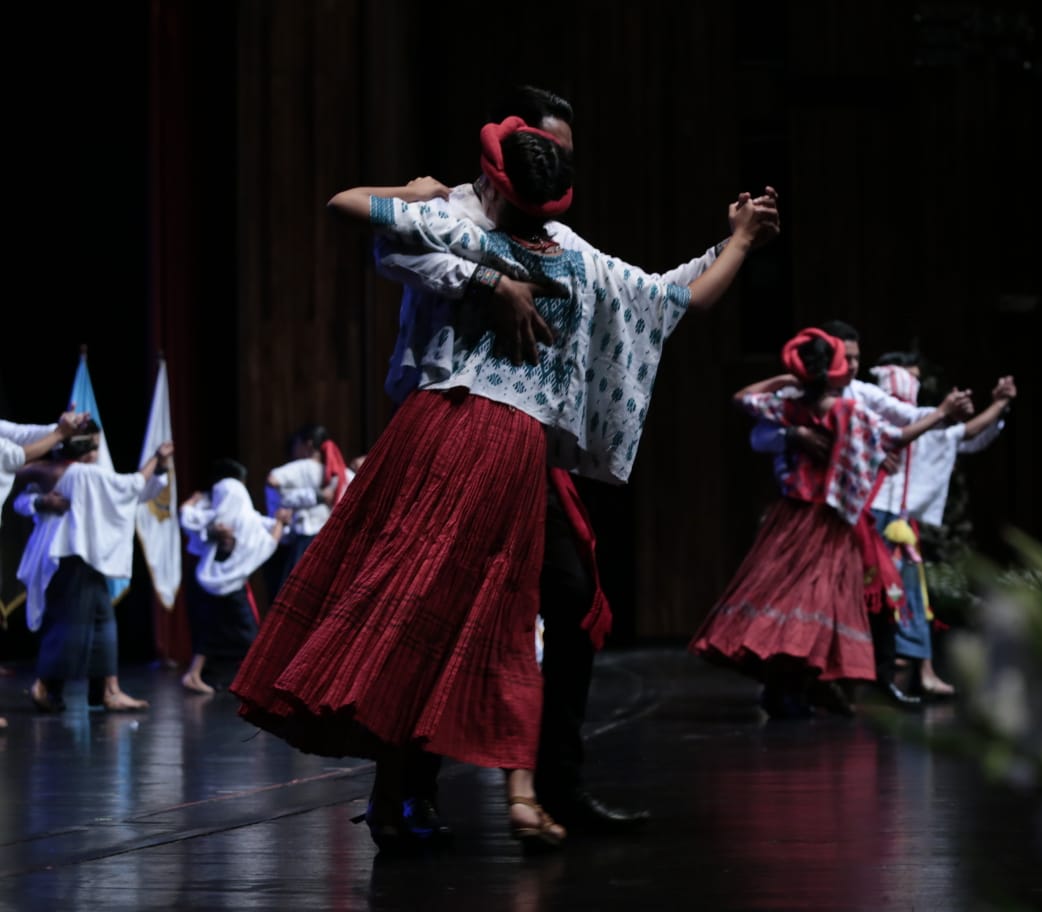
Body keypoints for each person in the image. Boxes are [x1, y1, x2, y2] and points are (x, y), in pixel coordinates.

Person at [230, 114, 779, 853]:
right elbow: (677, 299)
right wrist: (740, 240)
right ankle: (454, 793)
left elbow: (345, 203)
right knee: (485, 614)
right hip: (502, 444)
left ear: (497, 179)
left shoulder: (470, 233)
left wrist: (416, 193)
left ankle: (466, 790)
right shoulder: (574, 267)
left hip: (436, 430)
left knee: (434, 603)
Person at [371, 84, 774, 833]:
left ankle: (547, 786)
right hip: (447, 431)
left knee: (568, 594)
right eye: (544, 155)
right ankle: (407, 788)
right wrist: (489, 281)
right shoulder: (454, 222)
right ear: (504, 160)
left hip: (526, 446)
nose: (552, 169)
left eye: (561, 161)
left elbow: (659, 297)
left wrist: (736, 242)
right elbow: (392, 243)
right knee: (440, 604)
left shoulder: (566, 252)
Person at [689, 328, 968, 718]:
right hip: (825, 522)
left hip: (790, 520)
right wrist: (941, 414)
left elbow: (743, 399)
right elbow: (896, 436)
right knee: (816, 605)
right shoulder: (842, 411)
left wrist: (786, 381)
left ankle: (794, 687)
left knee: (788, 601)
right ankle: (790, 687)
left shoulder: (790, 406)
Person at [867, 352, 1016, 696]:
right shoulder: (875, 418)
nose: (913, 387)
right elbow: (962, 433)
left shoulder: (916, 422)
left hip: (899, 520)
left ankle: (919, 670)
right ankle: (884, 673)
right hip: (874, 517)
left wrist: (998, 407)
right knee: (881, 595)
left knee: (912, 595)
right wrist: (997, 404)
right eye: (908, 378)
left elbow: (964, 437)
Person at [13, 425, 173, 712]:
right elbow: (133, 485)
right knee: (70, 623)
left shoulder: (55, 471)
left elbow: (135, 493)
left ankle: (107, 691)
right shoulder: (83, 473)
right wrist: (156, 458)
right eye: (96, 445)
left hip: (81, 557)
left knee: (102, 621)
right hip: (72, 555)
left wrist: (42, 498)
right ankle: (44, 684)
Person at [0, 408, 89, 729]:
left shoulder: (84, 474)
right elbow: (16, 453)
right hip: (52, 550)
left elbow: (19, 432)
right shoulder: (51, 472)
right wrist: (60, 434)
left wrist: (60, 427)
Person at [179, 458, 290, 694]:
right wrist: (280, 522)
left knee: (213, 631)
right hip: (224, 585)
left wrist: (192, 504)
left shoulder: (222, 516)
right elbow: (269, 540)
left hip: (209, 581)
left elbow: (188, 516)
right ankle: (256, 681)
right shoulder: (230, 517)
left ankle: (196, 673)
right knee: (244, 633)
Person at [260, 424, 353, 606]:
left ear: (308, 445)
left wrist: (300, 498)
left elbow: (272, 481)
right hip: (336, 544)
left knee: (296, 604)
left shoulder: (300, 467)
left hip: (305, 544)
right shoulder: (343, 473)